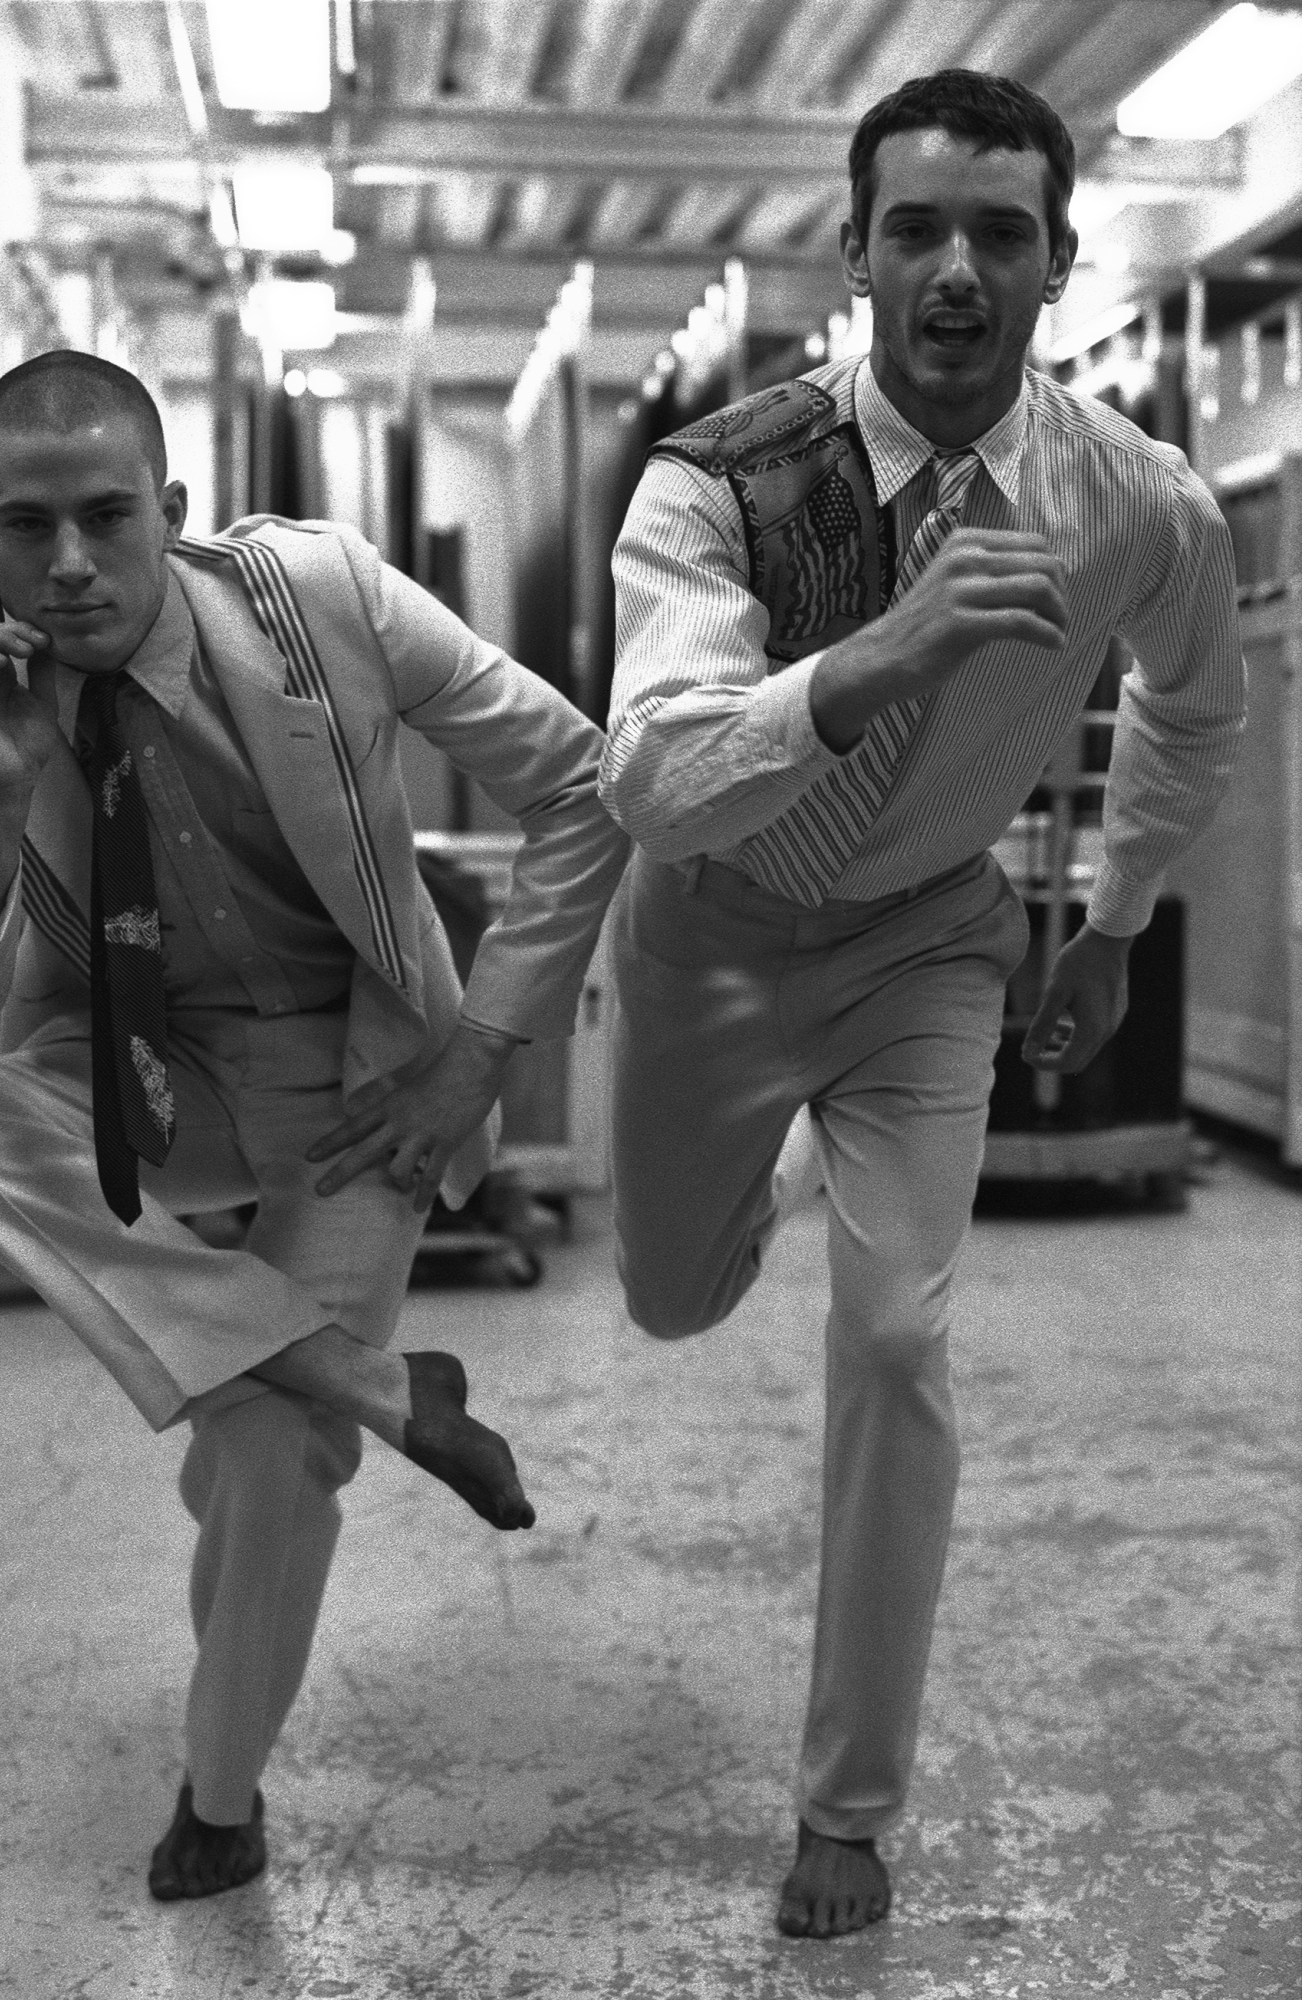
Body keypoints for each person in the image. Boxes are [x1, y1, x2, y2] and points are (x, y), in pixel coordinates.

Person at [603, 69, 1243, 1939]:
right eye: (915, 229)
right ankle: (778, 1169)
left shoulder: (1136, 502)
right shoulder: (723, 476)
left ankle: (847, 1809)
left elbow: (1196, 711)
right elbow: (649, 776)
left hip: (927, 952)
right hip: (711, 935)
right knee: (663, 1296)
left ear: (1055, 261)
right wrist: (876, 659)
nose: (955, 269)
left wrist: (1113, 916)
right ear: (856, 251)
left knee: (894, 1344)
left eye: (999, 232)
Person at [0, 350, 630, 1900]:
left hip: (352, 1079)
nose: (70, 564)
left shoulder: (319, 596)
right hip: (123, 1078)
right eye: (28, 527)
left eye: (106, 517)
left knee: (264, 1452)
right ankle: (365, 1376)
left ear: (173, 507)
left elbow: (583, 786)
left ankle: (221, 1796)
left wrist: (474, 1059)